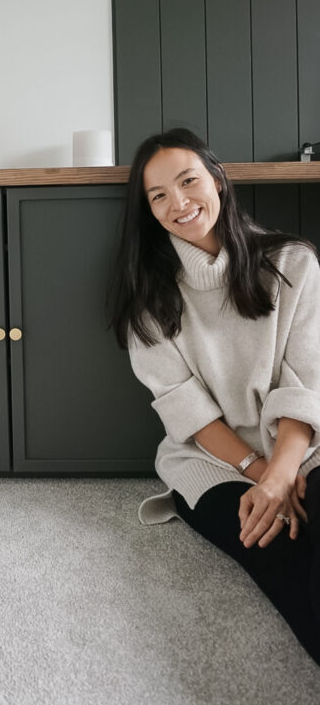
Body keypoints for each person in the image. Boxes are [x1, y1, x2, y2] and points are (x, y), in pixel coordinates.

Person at [108, 127, 320, 664]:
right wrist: (259, 473)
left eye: (188, 181)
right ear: (148, 210)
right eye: (158, 196)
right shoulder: (149, 298)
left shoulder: (294, 263)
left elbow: (307, 382)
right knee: (282, 553)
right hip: (214, 462)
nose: (178, 203)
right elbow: (190, 412)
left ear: (218, 180)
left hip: (304, 447)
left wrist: (282, 472)